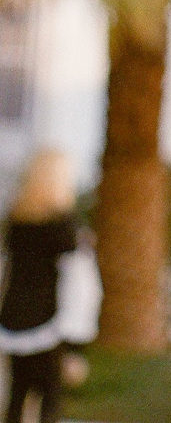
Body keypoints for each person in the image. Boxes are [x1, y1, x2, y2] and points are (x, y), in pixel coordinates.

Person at [0, 149, 79, 423]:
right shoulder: (62, 226)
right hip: (47, 321)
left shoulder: (17, 221)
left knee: (17, 394)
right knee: (49, 397)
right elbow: (74, 279)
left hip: (14, 319)